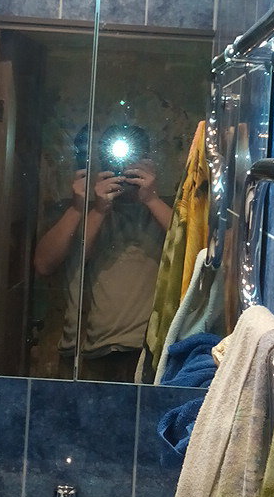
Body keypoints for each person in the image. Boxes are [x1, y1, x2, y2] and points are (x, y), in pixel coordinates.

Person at [34, 125, 172, 382]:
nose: (124, 167)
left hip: (146, 352)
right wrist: (92, 209)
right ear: (102, 161)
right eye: (115, 160)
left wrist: (151, 199)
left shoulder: (164, 210)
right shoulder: (79, 209)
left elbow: (195, 253)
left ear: (148, 162)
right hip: (83, 354)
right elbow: (44, 264)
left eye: (133, 159)